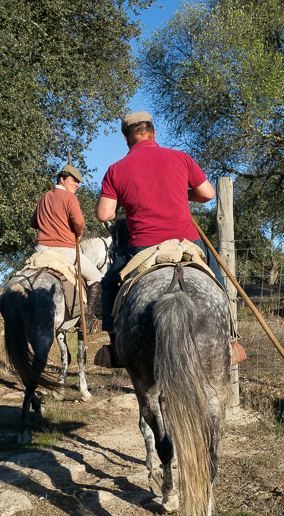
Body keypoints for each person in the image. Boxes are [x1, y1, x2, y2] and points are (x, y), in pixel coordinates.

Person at [94, 111, 220, 366]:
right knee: (216, 277)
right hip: (187, 242)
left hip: (142, 246)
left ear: (126, 139)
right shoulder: (181, 158)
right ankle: (229, 336)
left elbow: (104, 213)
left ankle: (115, 345)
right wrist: (182, 195)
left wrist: (125, 201)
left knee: (108, 284)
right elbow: (208, 193)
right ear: (153, 133)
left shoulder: (116, 169)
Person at [30, 163, 102, 329]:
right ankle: (88, 318)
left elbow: (34, 223)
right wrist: (77, 233)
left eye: (78, 182)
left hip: (40, 250)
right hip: (64, 251)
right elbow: (79, 222)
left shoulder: (43, 198)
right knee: (95, 277)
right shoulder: (70, 198)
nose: (77, 184)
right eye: (73, 180)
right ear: (61, 179)